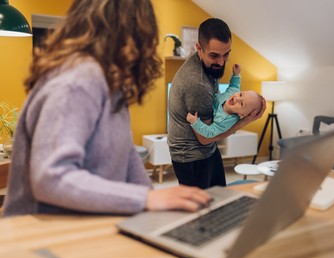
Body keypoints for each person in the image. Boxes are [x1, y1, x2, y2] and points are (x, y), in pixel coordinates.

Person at [2, 0, 212, 217]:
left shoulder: (110, 82)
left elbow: (128, 156)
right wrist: (146, 198)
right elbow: (51, 177)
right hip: (42, 236)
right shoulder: (77, 80)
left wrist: (156, 211)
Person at [168, 18, 266, 189]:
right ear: (199, 48)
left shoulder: (205, 64)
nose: (221, 62)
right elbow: (205, 138)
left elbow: (232, 88)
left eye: (226, 54)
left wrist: (236, 76)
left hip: (207, 150)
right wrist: (244, 122)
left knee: (220, 197)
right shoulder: (197, 84)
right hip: (191, 156)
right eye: (214, 55)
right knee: (203, 210)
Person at [186, 64, 263, 138]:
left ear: (241, 114)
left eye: (241, 104)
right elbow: (235, 85)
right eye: (241, 94)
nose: (237, 99)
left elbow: (210, 132)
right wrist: (236, 74)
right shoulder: (233, 93)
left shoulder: (225, 121)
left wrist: (196, 123)